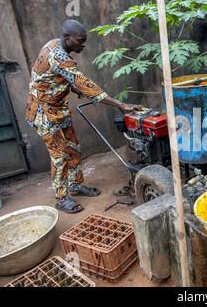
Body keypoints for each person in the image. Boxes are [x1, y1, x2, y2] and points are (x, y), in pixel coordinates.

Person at [25, 20, 143, 214]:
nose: (83, 45)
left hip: (58, 108)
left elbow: (55, 77)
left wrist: (70, 87)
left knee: (73, 148)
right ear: (67, 38)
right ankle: (62, 198)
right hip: (43, 113)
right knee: (59, 155)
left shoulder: (55, 44)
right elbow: (83, 83)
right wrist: (121, 105)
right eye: (80, 41)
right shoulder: (57, 55)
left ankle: (75, 185)